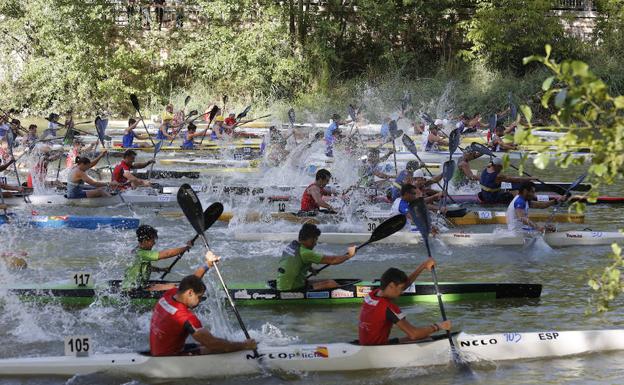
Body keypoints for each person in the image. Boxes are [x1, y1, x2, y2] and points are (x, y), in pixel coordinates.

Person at [150, 274, 257, 356]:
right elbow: (212, 344)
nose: (199, 301)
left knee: (209, 343)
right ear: (190, 293)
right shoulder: (185, 317)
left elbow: (189, 281)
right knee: (217, 347)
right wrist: (244, 345)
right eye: (199, 297)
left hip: (158, 349)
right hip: (169, 357)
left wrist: (207, 264)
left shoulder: (170, 294)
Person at [358, 262, 451, 345]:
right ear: (391, 286)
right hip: (376, 350)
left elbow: (404, 284)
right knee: (419, 336)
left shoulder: (371, 295)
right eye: (401, 288)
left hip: (367, 343)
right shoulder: (388, 307)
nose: (402, 292)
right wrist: (439, 326)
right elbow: (414, 334)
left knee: (423, 337)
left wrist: (423, 266)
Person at [277, 223, 356, 291]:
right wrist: (349, 255)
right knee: (331, 283)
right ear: (310, 239)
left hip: (282, 285)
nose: (315, 244)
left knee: (323, 281)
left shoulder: (292, 246)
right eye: (315, 240)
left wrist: (311, 269)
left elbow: (294, 262)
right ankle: (348, 293)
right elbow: (333, 260)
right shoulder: (306, 253)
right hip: (292, 289)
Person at [123, 224, 201, 291]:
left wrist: (161, 269)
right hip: (133, 289)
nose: (154, 243)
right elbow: (166, 254)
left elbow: (144, 267)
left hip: (136, 286)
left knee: (173, 285)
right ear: (144, 241)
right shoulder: (142, 253)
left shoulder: (137, 251)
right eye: (152, 240)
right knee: (173, 287)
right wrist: (186, 248)